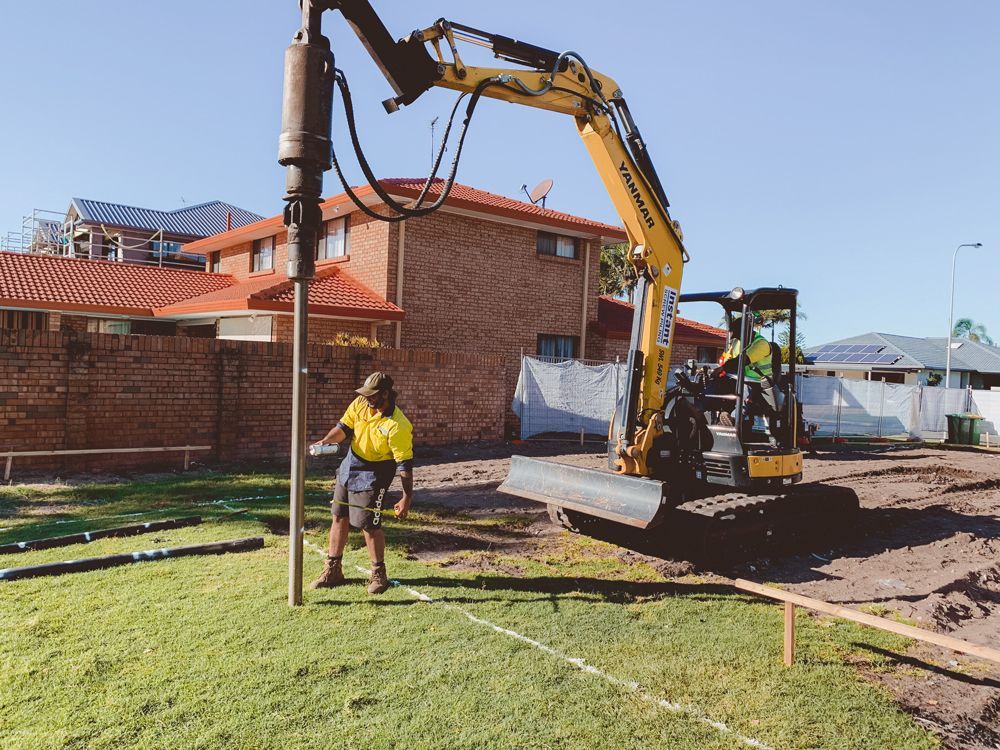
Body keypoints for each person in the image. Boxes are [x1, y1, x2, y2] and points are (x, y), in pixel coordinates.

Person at [309, 371, 414, 595]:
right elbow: (343, 429)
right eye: (365, 394)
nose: (367, 398)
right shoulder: (359, 403)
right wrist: (326, 441)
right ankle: (333, 569)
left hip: (377, 471)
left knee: (369, 524)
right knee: (338, 516)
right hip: (351, 463)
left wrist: (406, 497)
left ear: (385, 394)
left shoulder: (398, 425)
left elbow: (404, 465)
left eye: (372, 395)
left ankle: (378, 573)